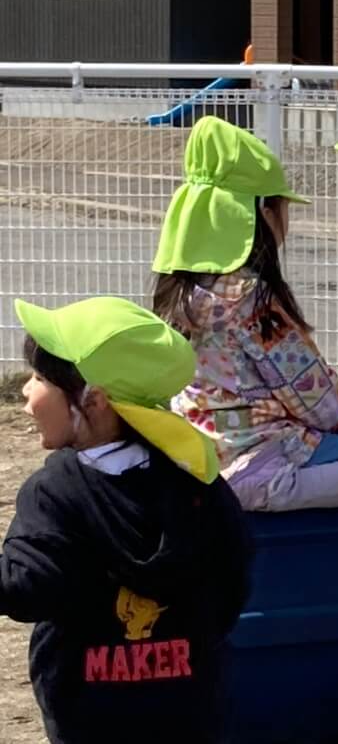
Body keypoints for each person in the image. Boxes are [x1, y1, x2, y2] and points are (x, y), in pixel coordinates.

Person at [10, 295, 252, 744]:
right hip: (189, 710)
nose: (27, 390)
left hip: (87, 716)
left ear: (95, 400)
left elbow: (29, 589)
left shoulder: (55, 492)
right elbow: (233, 580)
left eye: (41, 378)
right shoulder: (198, 484)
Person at [151, 116, 338, 511]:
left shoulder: (178, 295)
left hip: (199, 451)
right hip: (256, 452)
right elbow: (309, 394)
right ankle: (267, 486)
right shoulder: (252, 299)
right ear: (263, 213)